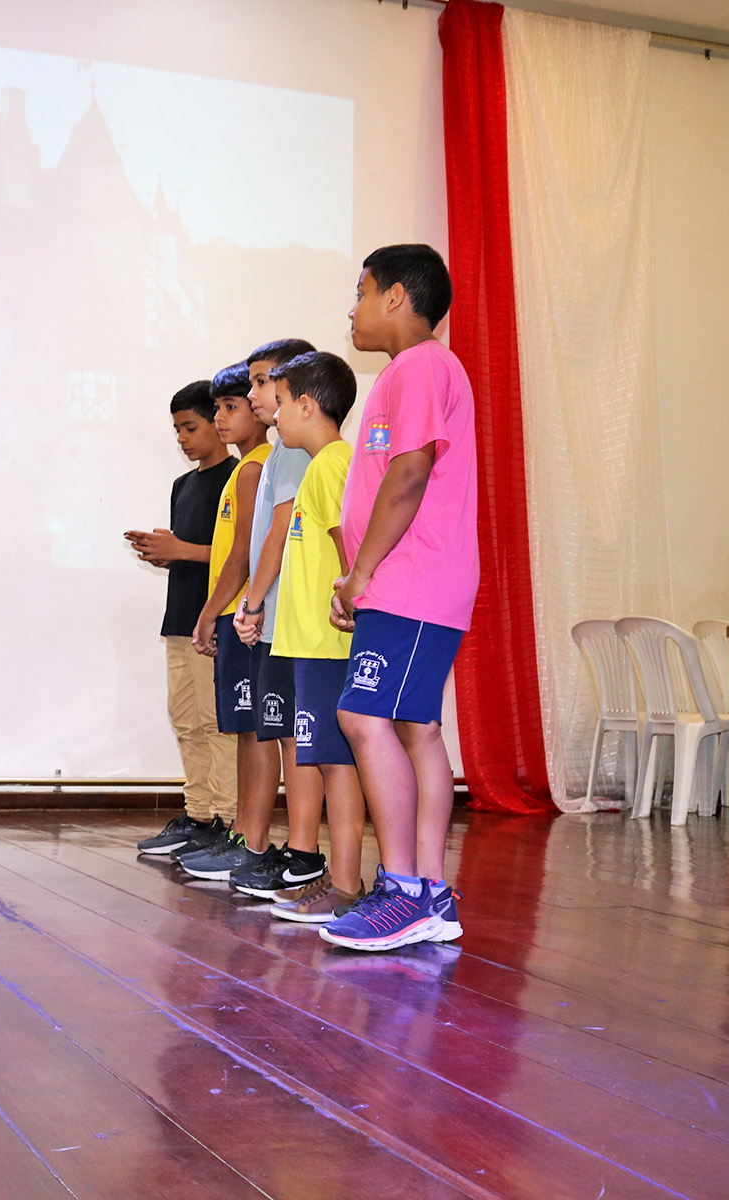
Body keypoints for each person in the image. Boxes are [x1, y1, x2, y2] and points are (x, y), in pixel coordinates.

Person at [321, 244, 477, 951]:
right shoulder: (411, 371)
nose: (352, 309)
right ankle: (430, 892)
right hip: (407, 583)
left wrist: (362, 574)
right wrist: (358, 576)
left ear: (394, 296)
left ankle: (405, 891)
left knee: (361, 716)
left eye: (361, 292)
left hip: (414, 581)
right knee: (417, 728)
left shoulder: (420, 366)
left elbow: (409, 474)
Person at [242, 351, 368, 921]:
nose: (275, 415)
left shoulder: (332, 465)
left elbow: (349, 550)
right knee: (323, 760)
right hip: (306, 645)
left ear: (309, 406)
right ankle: (337, 881)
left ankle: (345, 883)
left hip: (326, 643)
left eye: (283, 403)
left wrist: (350, 606)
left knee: (338, 764)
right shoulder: (318, 466)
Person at [226, 339, 327, 900]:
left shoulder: (291, 452)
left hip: (290, 619)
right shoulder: (279, 453)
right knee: (284, 731)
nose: (254, 394)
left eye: (263, 383)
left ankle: (304, 851)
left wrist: (253, 600)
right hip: (278, 621)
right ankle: (295, 848)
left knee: (296, 737)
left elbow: (277, 536)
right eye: (254, 383)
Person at [126, 381, 238, 857]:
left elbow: (242, 556)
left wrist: (182, 549)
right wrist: (166, 553)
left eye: (190, 427)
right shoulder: (183, 485)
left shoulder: (239, 477)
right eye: (177, 430)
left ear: (217, 420)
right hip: (181, 619)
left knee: (217, 724)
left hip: (216, 621)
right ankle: (198, 816)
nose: (182, 439)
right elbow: (194, 553)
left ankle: (228, 822)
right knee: (186, 721)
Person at [175, 362, 277, 881]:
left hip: (244, 619)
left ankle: (247, 837)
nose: (220, 418)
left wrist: (210, 612)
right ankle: (242, 835)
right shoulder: (245, 468)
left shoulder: (256, 468)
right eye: (217, 408)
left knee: (252, 731)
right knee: (243, 730)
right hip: (240, 618)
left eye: (230, 407)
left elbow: (240, 556)